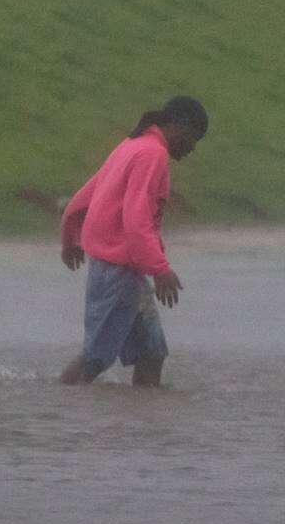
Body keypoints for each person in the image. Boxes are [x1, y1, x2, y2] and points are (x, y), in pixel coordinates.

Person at [57, 97, 208, 387]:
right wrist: (160, 269)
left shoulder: (132, 145)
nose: (192, 149)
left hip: (126, 270)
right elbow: (137, 218)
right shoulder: (152, 154)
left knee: (151, 353)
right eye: (194, 138)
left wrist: (69, 236)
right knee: (94, 358)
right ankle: (57, 411)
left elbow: (87, 193)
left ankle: (145, 427)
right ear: (179, 125)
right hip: (117, 271)